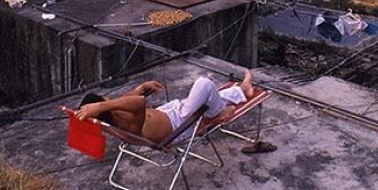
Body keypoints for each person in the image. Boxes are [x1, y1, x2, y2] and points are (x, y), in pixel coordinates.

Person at [74, 71, 255, 143]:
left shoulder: (115, 117)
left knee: (200, 99)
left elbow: (125, 100)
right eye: (106, 101)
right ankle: (216, 114)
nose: (111, 100)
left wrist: (141, 88)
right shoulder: (127, 127)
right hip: (181, 124)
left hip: (171, 112)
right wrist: (99, 105)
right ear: (106, 109)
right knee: (204, 84)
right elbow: (138, 103)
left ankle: (241, 89)